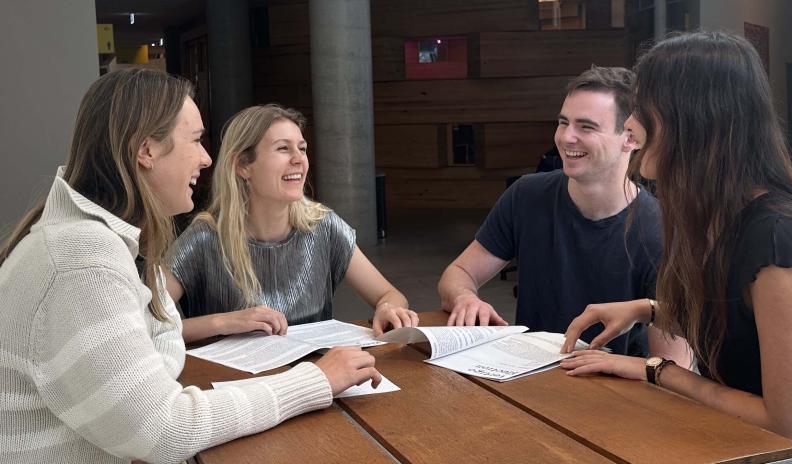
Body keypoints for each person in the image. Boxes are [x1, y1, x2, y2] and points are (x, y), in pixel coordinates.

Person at [0, 68, 381, 464]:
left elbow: (155, 342)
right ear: (146, 151)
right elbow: (165, 430)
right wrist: (316, 380)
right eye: (196, 140)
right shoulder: (82, 264)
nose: (206, 158)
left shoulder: (98, 243)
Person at [561, 31, 792, 461]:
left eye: (642, 108)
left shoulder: (778, 240)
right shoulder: (719, 216)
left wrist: (655, 370)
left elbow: (790, 429)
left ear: (693, 117)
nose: (629, 124)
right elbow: (740, 323)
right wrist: (647, 309)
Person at [437, 66, 689, 362]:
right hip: (525, 379)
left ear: (630, 138)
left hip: (611, 395)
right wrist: (465, 297)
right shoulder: (527, 195)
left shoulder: (659, 230)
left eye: (586, 127)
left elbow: (672, 368)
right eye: (563, 122)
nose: (566, 137)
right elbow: (459, 273)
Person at [164, 104, 418, 343]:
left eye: (302, 148)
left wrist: (388, 309)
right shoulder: (205, 236)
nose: (299, 159)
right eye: (283, 148)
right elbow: (145, 326)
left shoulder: (324, 226)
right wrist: (223, 322)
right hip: (237, 385)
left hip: (319, 375)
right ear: (243, 165)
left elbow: (390, 295)